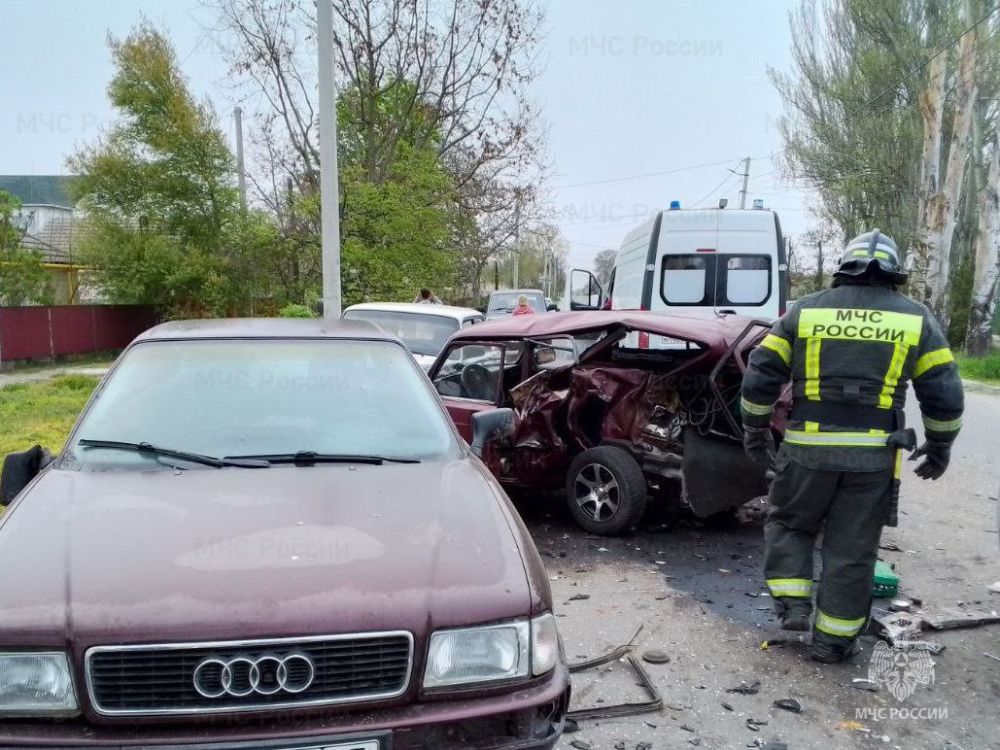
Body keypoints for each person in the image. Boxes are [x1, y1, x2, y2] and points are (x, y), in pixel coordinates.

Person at [739, 229, 964, 663]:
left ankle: (793, 606)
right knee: (852, 549)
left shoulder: (804, 312)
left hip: (805, 452)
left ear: (844, 267)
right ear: (893, 274)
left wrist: (755, 430)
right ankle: (833, 642)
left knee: (789, 524)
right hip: (872, 459)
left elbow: (760, 372)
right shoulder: (915, 318)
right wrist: (940, 446)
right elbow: (944, 392)